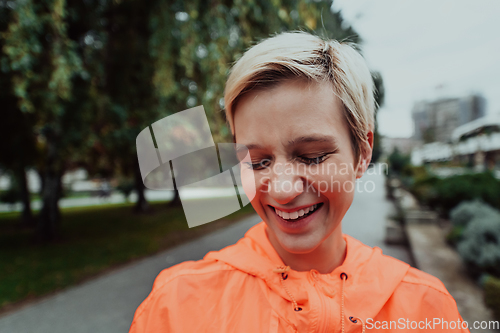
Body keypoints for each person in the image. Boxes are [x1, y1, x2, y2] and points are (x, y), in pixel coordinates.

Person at [129, 32, 469, 333]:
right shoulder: (174, 307)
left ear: (362, 153)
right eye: (258, 161)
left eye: (312, 156)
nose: (282, 189)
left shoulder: (427, 308)